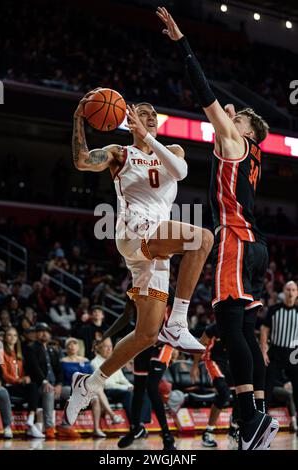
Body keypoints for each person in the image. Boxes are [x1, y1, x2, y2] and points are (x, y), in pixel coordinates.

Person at [155, 6, 278, 450]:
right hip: (257, 243)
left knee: (229, 327)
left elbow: (203, 89)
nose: (231, 116)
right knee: (244, 330)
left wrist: (181, 43)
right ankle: (258, 419)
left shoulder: (233, 139)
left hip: (235, 238)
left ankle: (249, 420)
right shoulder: (255, 154)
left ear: (244, 128)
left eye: (238, 116)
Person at [65, 86, 214, 425]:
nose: (147, 118)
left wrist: (150, 136)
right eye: (141, 113)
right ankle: (178, 322)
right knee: (202, 238)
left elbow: (180, 172)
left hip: (156, 243)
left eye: (151, 116)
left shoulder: (171, 150)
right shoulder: (120, 153)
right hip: (133, 231)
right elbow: (82, 161)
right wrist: (79, 118)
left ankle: (90, 383)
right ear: (129, 120)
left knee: (147, 334)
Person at [95, 297, 176, 450]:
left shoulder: (161, 280)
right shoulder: (134, 285)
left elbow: (178, 311)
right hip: (143, 341)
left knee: (152, 387)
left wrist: (175, 336)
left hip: (162, 342)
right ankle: (136, 428)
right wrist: (105, 335)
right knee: (138, 389)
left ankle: (167, 436)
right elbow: (126, 316)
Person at [24, 322, 79, 439]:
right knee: (49, 391)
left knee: (73, 392)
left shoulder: (53, 350)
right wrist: (44, 381)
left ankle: (65, 426)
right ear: (36, 334)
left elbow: (59, 371)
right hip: (39, 386)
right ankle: (49, 428)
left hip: (55, 385)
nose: (44, 334)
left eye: (47, 332)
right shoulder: (31, 348)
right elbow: (34, 368)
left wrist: (59, 384)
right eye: (41, 331)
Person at [61, 337, 123, 438]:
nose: (72, 346)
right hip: (69, 387)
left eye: (74, 344)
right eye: (69, 344)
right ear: (66, 348)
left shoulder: (85, 361)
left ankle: (96, 429)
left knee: (96, 398)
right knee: (97, 389)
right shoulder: (63, 361)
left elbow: (92, 376)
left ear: (78, 347)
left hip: (85, 387)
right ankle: (112, 415)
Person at [190, 322, 239, 449]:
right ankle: (208, 432)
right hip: (212, 360)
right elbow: (199, 345)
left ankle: (233, 429)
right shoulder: (214, 327)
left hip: (229, 362)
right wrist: (195, 366)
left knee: (240, 394)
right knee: (224, 394)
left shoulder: (238, 326)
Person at [260, 281, 298, 436]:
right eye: (288, 289)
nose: (290, 292)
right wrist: (264, 350)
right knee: (267, 388)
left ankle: (295, 421)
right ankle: (263, 422)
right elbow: (264, 329)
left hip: (294, 353)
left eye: (294, 290)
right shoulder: (274, 310)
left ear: (297, 293)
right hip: (275, 351)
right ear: (283, 291)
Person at [0, 327, 44, 438]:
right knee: (4, 392)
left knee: (33, 386)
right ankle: (8, 427)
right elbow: (4, 373)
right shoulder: (0, 352)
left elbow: (23, 371)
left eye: (15, 335)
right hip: (8, 385)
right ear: (5, 338)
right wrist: (19, 380)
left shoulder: (19, 353)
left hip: (19, 385)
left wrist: (26, 377)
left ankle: (31, 420)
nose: (12, 337)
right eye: (9, 335)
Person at [91, 338, 133, 421]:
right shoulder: (94, 363)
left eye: (110, 346)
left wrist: (131, 386)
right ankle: (133, 423)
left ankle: (143, 422)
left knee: (142, 391)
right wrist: (126, 388)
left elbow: (122, 379)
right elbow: (106, 384)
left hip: (119, 388)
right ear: (99, 348)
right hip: (107, 390)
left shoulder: (114, 360)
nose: (109, 349)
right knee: (127, 394)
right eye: (106, 347)